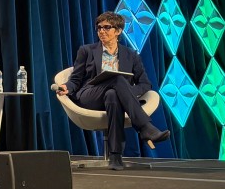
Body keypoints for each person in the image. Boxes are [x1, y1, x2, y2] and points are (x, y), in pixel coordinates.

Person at [55, 11, 169, 170]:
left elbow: (145, 84)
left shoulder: (131, 55)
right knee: (117, 79)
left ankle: (115, 156)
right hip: (90, 96)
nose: (101, 31)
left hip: (115, 99)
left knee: (113, 94)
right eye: (99, 28)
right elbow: (75, 79)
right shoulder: (86, 50)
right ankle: (145, 127)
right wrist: (67, 87)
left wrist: (126, 93)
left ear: (118, 31)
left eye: (107, 27)